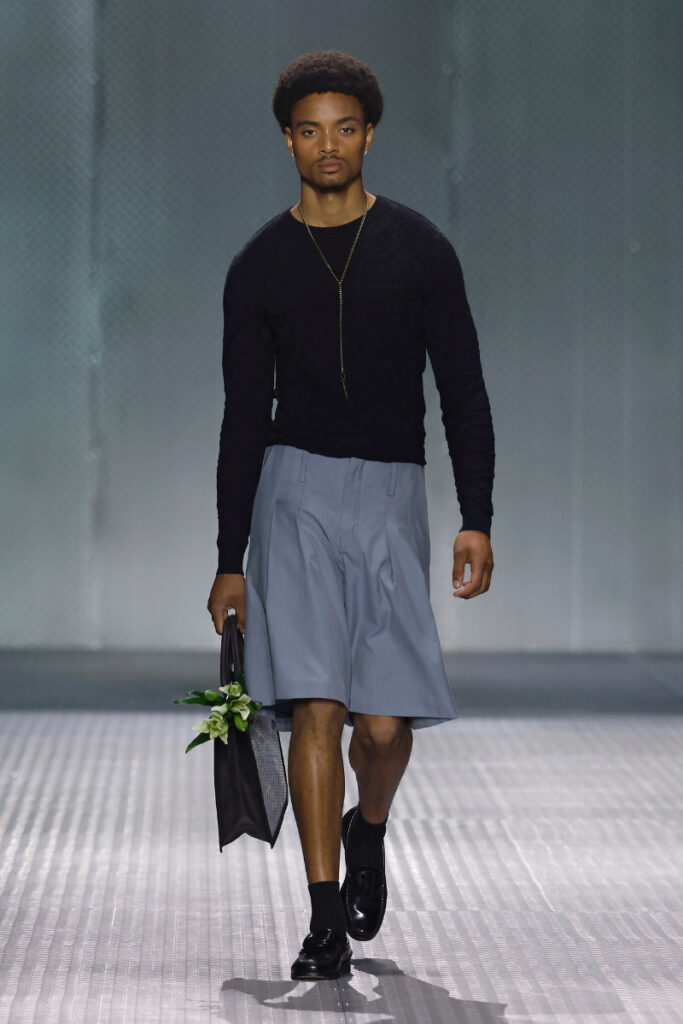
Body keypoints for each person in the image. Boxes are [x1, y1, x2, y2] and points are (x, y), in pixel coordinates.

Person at [207, 49, 495, 981]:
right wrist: (229, 556)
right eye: (308, 130)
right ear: (287, 141)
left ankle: (367, 827)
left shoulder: (420, 250)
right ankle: (323, 916)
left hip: (388, 495)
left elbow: (462, 390)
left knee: (380, 728)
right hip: (291, 494)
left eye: (342, 128)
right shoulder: (258, 266)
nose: (326, 145)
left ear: (368, 135)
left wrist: (476, 515)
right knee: (317, 709)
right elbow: (243, 416)